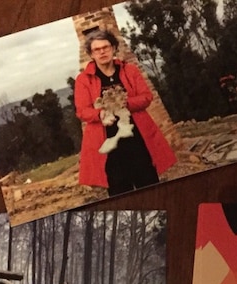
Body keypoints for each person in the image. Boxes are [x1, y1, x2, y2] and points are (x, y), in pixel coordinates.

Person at [74, 29, 176, 197]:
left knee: (150, 186)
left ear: (114, 48)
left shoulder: (130, 71)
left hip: (138, 140)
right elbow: (82, 111)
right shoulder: (84, 80)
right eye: (96, 50)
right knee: (120, 192)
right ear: (91, 54)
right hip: (109, 147)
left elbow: (146, 97)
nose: (102, 52)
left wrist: (124, 104)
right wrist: (100, 114)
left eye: (106, 47)